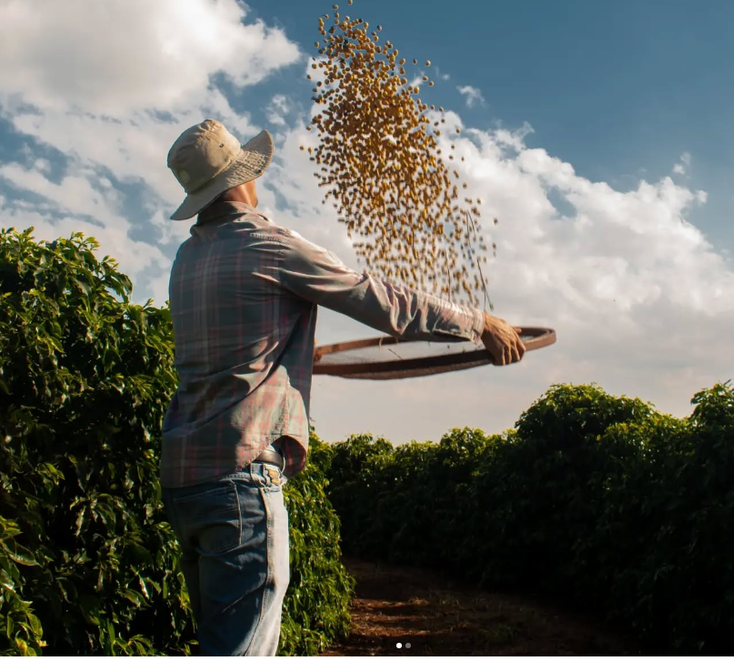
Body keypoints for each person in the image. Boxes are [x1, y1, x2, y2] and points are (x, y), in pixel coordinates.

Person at [159, 119, 526, 656]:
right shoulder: (269, 245)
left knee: (217, 643)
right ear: (242, 179)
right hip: (239, 474)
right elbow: (377, 298)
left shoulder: (185, 261)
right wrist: (479, 323)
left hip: (184, 479)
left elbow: (237, 357)